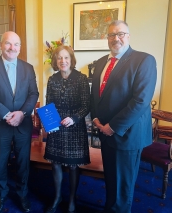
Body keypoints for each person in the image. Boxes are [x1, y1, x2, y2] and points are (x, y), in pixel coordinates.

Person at [90, 20, 157, 213]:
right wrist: (95, 119)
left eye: (120, 34)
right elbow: (96, 95)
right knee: (111, 178)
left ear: (128, 36)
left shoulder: (144, 60)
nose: (115, 38)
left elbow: (141, 101)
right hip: (105, 132)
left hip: (126, 134)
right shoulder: (102, 62)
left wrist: (113, 126)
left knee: (123, 185)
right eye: (111, 34)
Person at [0, 31, 39, 213]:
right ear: (0, 45)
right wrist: (7, 115)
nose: (12, 48)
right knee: (0, 162)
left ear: (20, 47)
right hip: (0, 124)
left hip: (23, 124)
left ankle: (22, 194)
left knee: (23, 163)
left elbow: (33, 93)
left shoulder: (28, 68)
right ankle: (1, 194)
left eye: (16, 44)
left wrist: (22, 113)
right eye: (8, 43)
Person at [44, 45, 90, 213]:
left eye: (66, 58)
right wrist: (48, 123)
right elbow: (49, 104)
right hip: (56, 126)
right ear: (56, 61)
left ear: (71, 59)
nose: (63, 61)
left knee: (72, 166)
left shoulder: (82, 78)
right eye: (59, 58)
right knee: (55, 163)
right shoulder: (52, 79)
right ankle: (57, 197)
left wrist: (74, 118)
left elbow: (86, 106)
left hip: (74, 127)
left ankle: (72, 198)